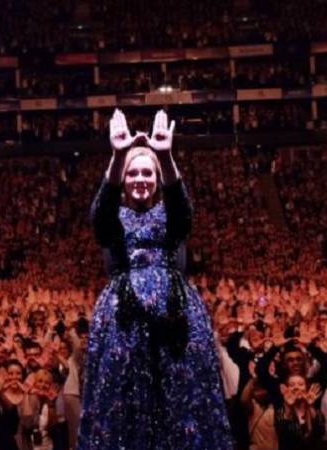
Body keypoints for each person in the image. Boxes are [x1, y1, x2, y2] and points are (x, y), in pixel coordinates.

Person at [77, 109, 232, 450]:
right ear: (123, 179)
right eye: (132, 173)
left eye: (147, 172)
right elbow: (99, 216)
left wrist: (165, 156)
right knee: (125, 401)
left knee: (180, 397)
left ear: (158, 179)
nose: (140, 179)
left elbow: (183, 212)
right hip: (124, 321)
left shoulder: (170, 216)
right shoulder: (114, 217)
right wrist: (118, 156)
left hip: (175, 319)